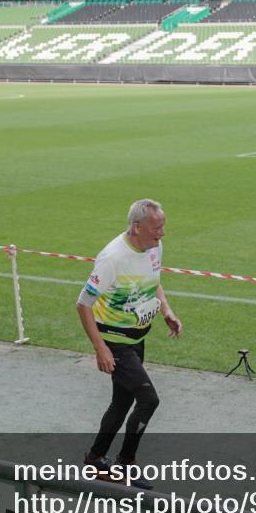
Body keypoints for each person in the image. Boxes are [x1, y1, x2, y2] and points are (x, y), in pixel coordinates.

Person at [77, 199, 182, 488]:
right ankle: (126, 462)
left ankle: (95, 459)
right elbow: (83, 304)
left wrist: (166, 312)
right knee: (149, 399)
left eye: (163, 227)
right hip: (116, 342)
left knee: (122, 402)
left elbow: (154, 282)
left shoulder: (153, 247)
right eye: (156, 228)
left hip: (137, 338)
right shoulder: (113, 258)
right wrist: (101, 348)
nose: (162, 234)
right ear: (137, 227)